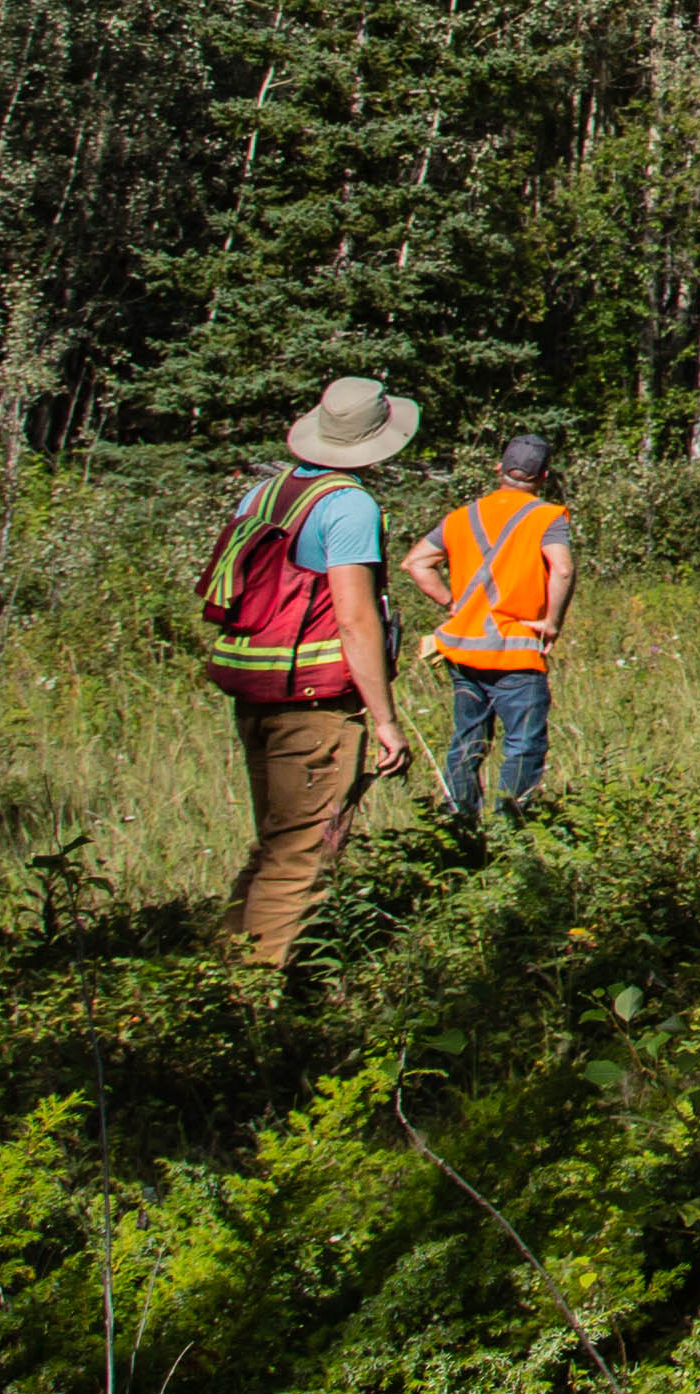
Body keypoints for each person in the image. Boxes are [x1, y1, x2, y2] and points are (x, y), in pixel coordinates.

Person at [196, 375, 414, 967]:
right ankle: (254, 1002)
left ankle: (221, 976)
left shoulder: (262, 495)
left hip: (256, 691)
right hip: (312, 703)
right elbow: (355, 620)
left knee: (278, 841)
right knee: (302, 854)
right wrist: (386, 719)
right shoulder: (349, 505)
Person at [398, 430, 576, 835]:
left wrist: (450, 603)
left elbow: (415, 563)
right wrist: (551, 622)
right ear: (543, 476)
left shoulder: (463, 516)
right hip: (515, 654)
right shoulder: (546, 516)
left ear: (499, 470)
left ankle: (459, 829)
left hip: (462, 653)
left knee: (467, 743)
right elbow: (562, 568)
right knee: (523, 744)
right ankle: (511, 833)